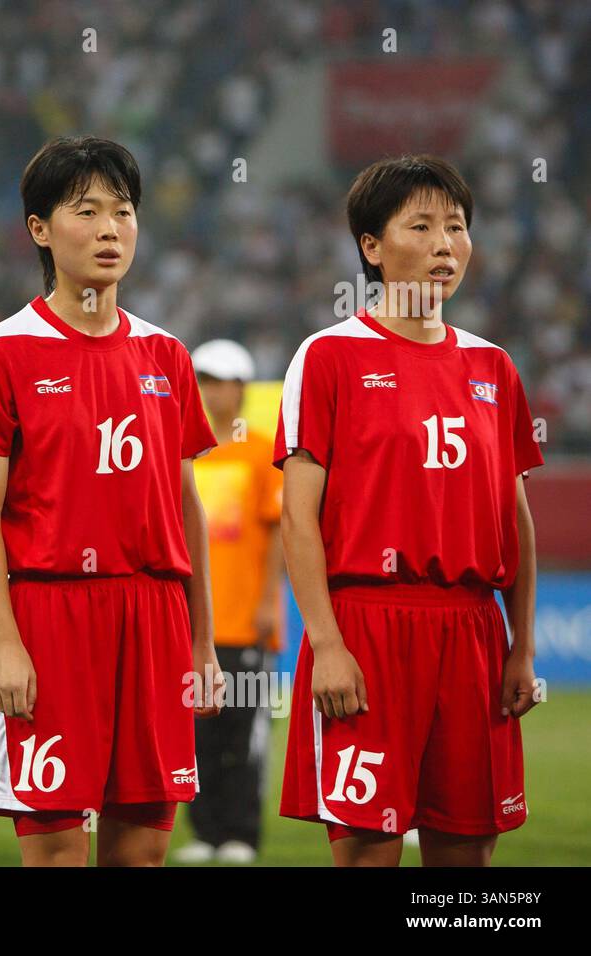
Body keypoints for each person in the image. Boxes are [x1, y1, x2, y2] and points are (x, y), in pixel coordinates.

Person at [0, 136, 224, 868]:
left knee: (141, 851)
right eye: (88, 212)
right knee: (54, 856)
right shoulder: (1, 353)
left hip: (153, 617)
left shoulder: (167, 356)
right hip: (50, 617)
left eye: (124, 211)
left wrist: (201, 642)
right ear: (40, 229)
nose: (111, 229)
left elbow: (185, 506)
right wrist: (4, 643)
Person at [275, 154, 543, 867]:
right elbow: (299, 520)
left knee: (467, 855)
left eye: (456, 227)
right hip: (367, 628)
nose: (443, 244)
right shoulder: (328, 357)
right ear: (371, 246)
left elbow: (514, 520)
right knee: (368, 852)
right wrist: (326, 643)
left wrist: (521, 645)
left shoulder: (493, 367)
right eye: (420, 226)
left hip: (473, 631)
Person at [175, 339, 283, 865]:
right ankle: (207, 831)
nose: (216, 392)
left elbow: (279, 532)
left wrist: (269, 601)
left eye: (225, 382)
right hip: (191, 623)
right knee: (193, 735)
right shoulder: (181, 448)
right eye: (208, 381)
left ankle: (240, 833)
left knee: (244, 736)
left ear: (242, 389)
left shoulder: (263, 450)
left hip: (244, 620)